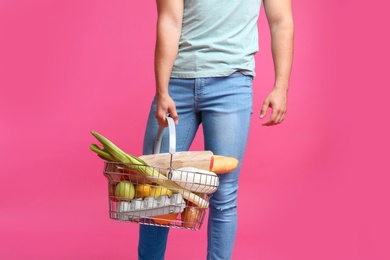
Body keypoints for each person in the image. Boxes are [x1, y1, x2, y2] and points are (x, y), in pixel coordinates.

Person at [138, 0, 294, 259]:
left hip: (231, 83)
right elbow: (169, 20)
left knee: (223, 192)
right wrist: (162, 89)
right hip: (177, 82)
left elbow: (281, 21)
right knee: (155, 187)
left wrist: (281, 87)